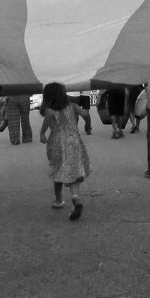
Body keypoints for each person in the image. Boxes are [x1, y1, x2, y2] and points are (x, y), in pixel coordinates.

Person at [39, 82, 91, 221]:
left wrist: (42, 133)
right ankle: (75, 198)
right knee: (73, 171)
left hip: (57, 143)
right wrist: (88, 124)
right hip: (73, 142)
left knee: (58, 170)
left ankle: (58, 200)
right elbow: (85, 114)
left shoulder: (49, 109)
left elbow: (49, 117)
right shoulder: (72, 106)